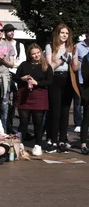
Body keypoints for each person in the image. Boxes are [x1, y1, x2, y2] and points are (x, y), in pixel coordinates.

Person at [13, 44, 53, 156]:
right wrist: (23, 78)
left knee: (38, 121)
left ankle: (38, 145)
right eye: (33, 53)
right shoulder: (24, 65)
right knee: (23, 121)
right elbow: (16, 77)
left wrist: (37, 83)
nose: (36, 55)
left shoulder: (46, 66)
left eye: (38, 53)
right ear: (29, 55)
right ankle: (19, 143)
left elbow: (50, 81)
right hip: (24, 95)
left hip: (39, 95)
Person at [45, 24, 78, 153]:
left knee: (65, 111)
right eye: (62, 33)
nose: (65, 35)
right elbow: (50, 67)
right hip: (55, 79)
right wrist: (63, 57)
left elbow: (75, 68)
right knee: (55, 111)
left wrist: (74, 55)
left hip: (68, 79)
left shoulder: (70, 47)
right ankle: (53, 140)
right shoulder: (50, 47)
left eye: (67, 33)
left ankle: (63, 140)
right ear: (57, 34)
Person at [4, 24, 26, 134]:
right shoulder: (1, 44)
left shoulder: (19, 45)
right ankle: (7, 126)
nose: (11, 32)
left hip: (16, 76)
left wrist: (10, 64)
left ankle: (22, 130)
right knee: (5, 102)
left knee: (17, 102)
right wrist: (11, 63)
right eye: (9, 31)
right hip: (5, 75)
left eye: (12, 30)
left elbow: (22, 61)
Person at [74, 28, 89, 133]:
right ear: (86, 35)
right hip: (79, 79)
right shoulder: (78, 46)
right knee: (78, 103)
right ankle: (78, 123)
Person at [79, 49, 89, 155]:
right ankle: (83, 145)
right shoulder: (87, 58)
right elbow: (85, 76)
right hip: (88, 92)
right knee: (86, 118)